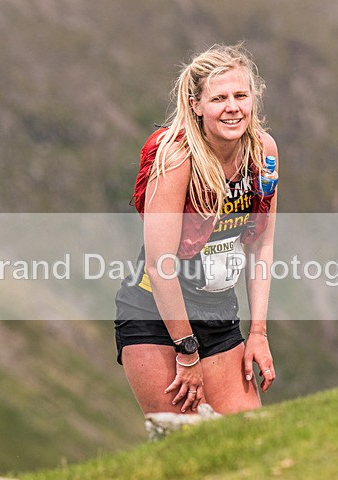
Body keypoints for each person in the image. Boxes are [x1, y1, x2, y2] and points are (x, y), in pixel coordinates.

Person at [115, 43, 278, 416]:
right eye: (219, 98)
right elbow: (160, 265)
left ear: (255, 98)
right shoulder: (176, 157)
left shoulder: (263, 151)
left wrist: (258, 333)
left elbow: (261, 245)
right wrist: (186, 350)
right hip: (155, 317)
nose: (232, 107)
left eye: (241, 95)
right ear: (196, 105)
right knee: (186, 443)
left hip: (219, 312)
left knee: (247, 439)